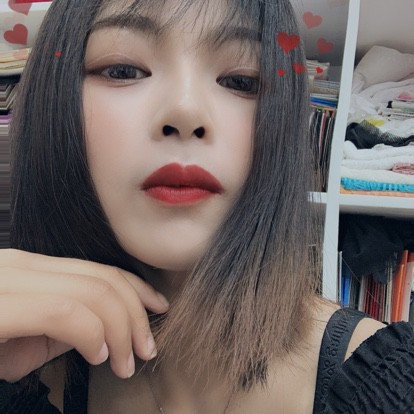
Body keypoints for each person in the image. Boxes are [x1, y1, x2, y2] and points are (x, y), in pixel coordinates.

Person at [1, 0, 413, 413]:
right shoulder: (18, 373)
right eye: (123, 70)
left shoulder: (395, 389)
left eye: (240, 81)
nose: (186, 111)